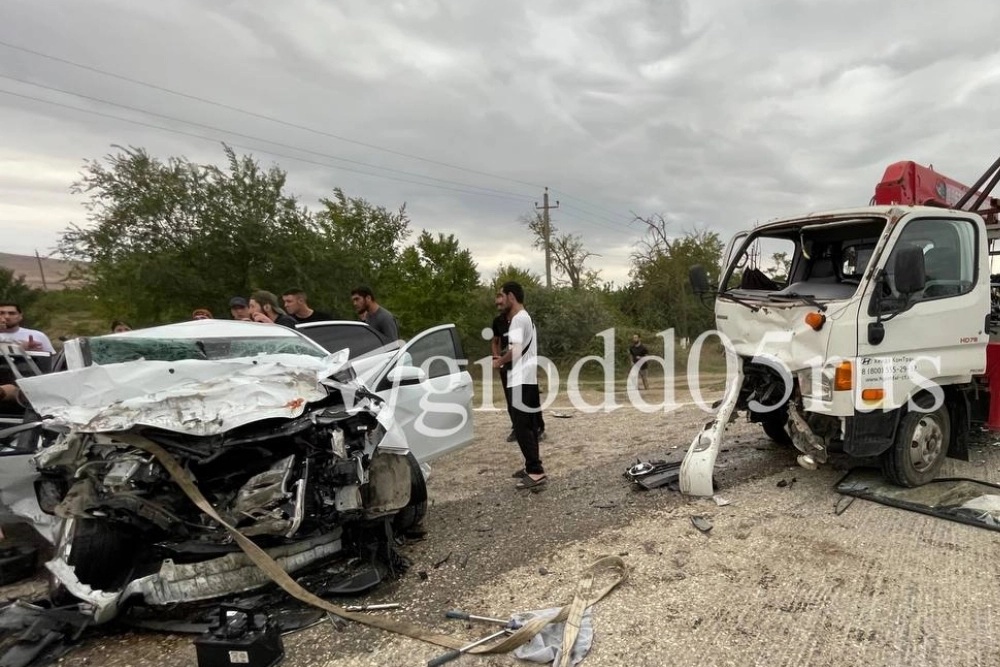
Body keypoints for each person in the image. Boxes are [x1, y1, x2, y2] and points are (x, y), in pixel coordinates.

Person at [492, 281, 546, 489]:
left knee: (522, 427)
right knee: (530, 427)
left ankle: (536, 472)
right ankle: (532, 466)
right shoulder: (527, 319)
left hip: (520, 380)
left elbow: (514, 351)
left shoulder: (516, 320)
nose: (499, 300)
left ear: (511, 296)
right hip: (529, 379)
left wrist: (499, 361)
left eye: (501, 295)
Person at [491, 290, 517, 443]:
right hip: (505, 363)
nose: (499, 306)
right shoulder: (497, 321)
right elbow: (495, 341)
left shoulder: (519, 318)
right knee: (510, 396)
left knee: (527, 395)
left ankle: (537, 426)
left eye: (501, 303)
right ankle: (516, 427)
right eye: (497, 305)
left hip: (521, 362)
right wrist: (496, 358)